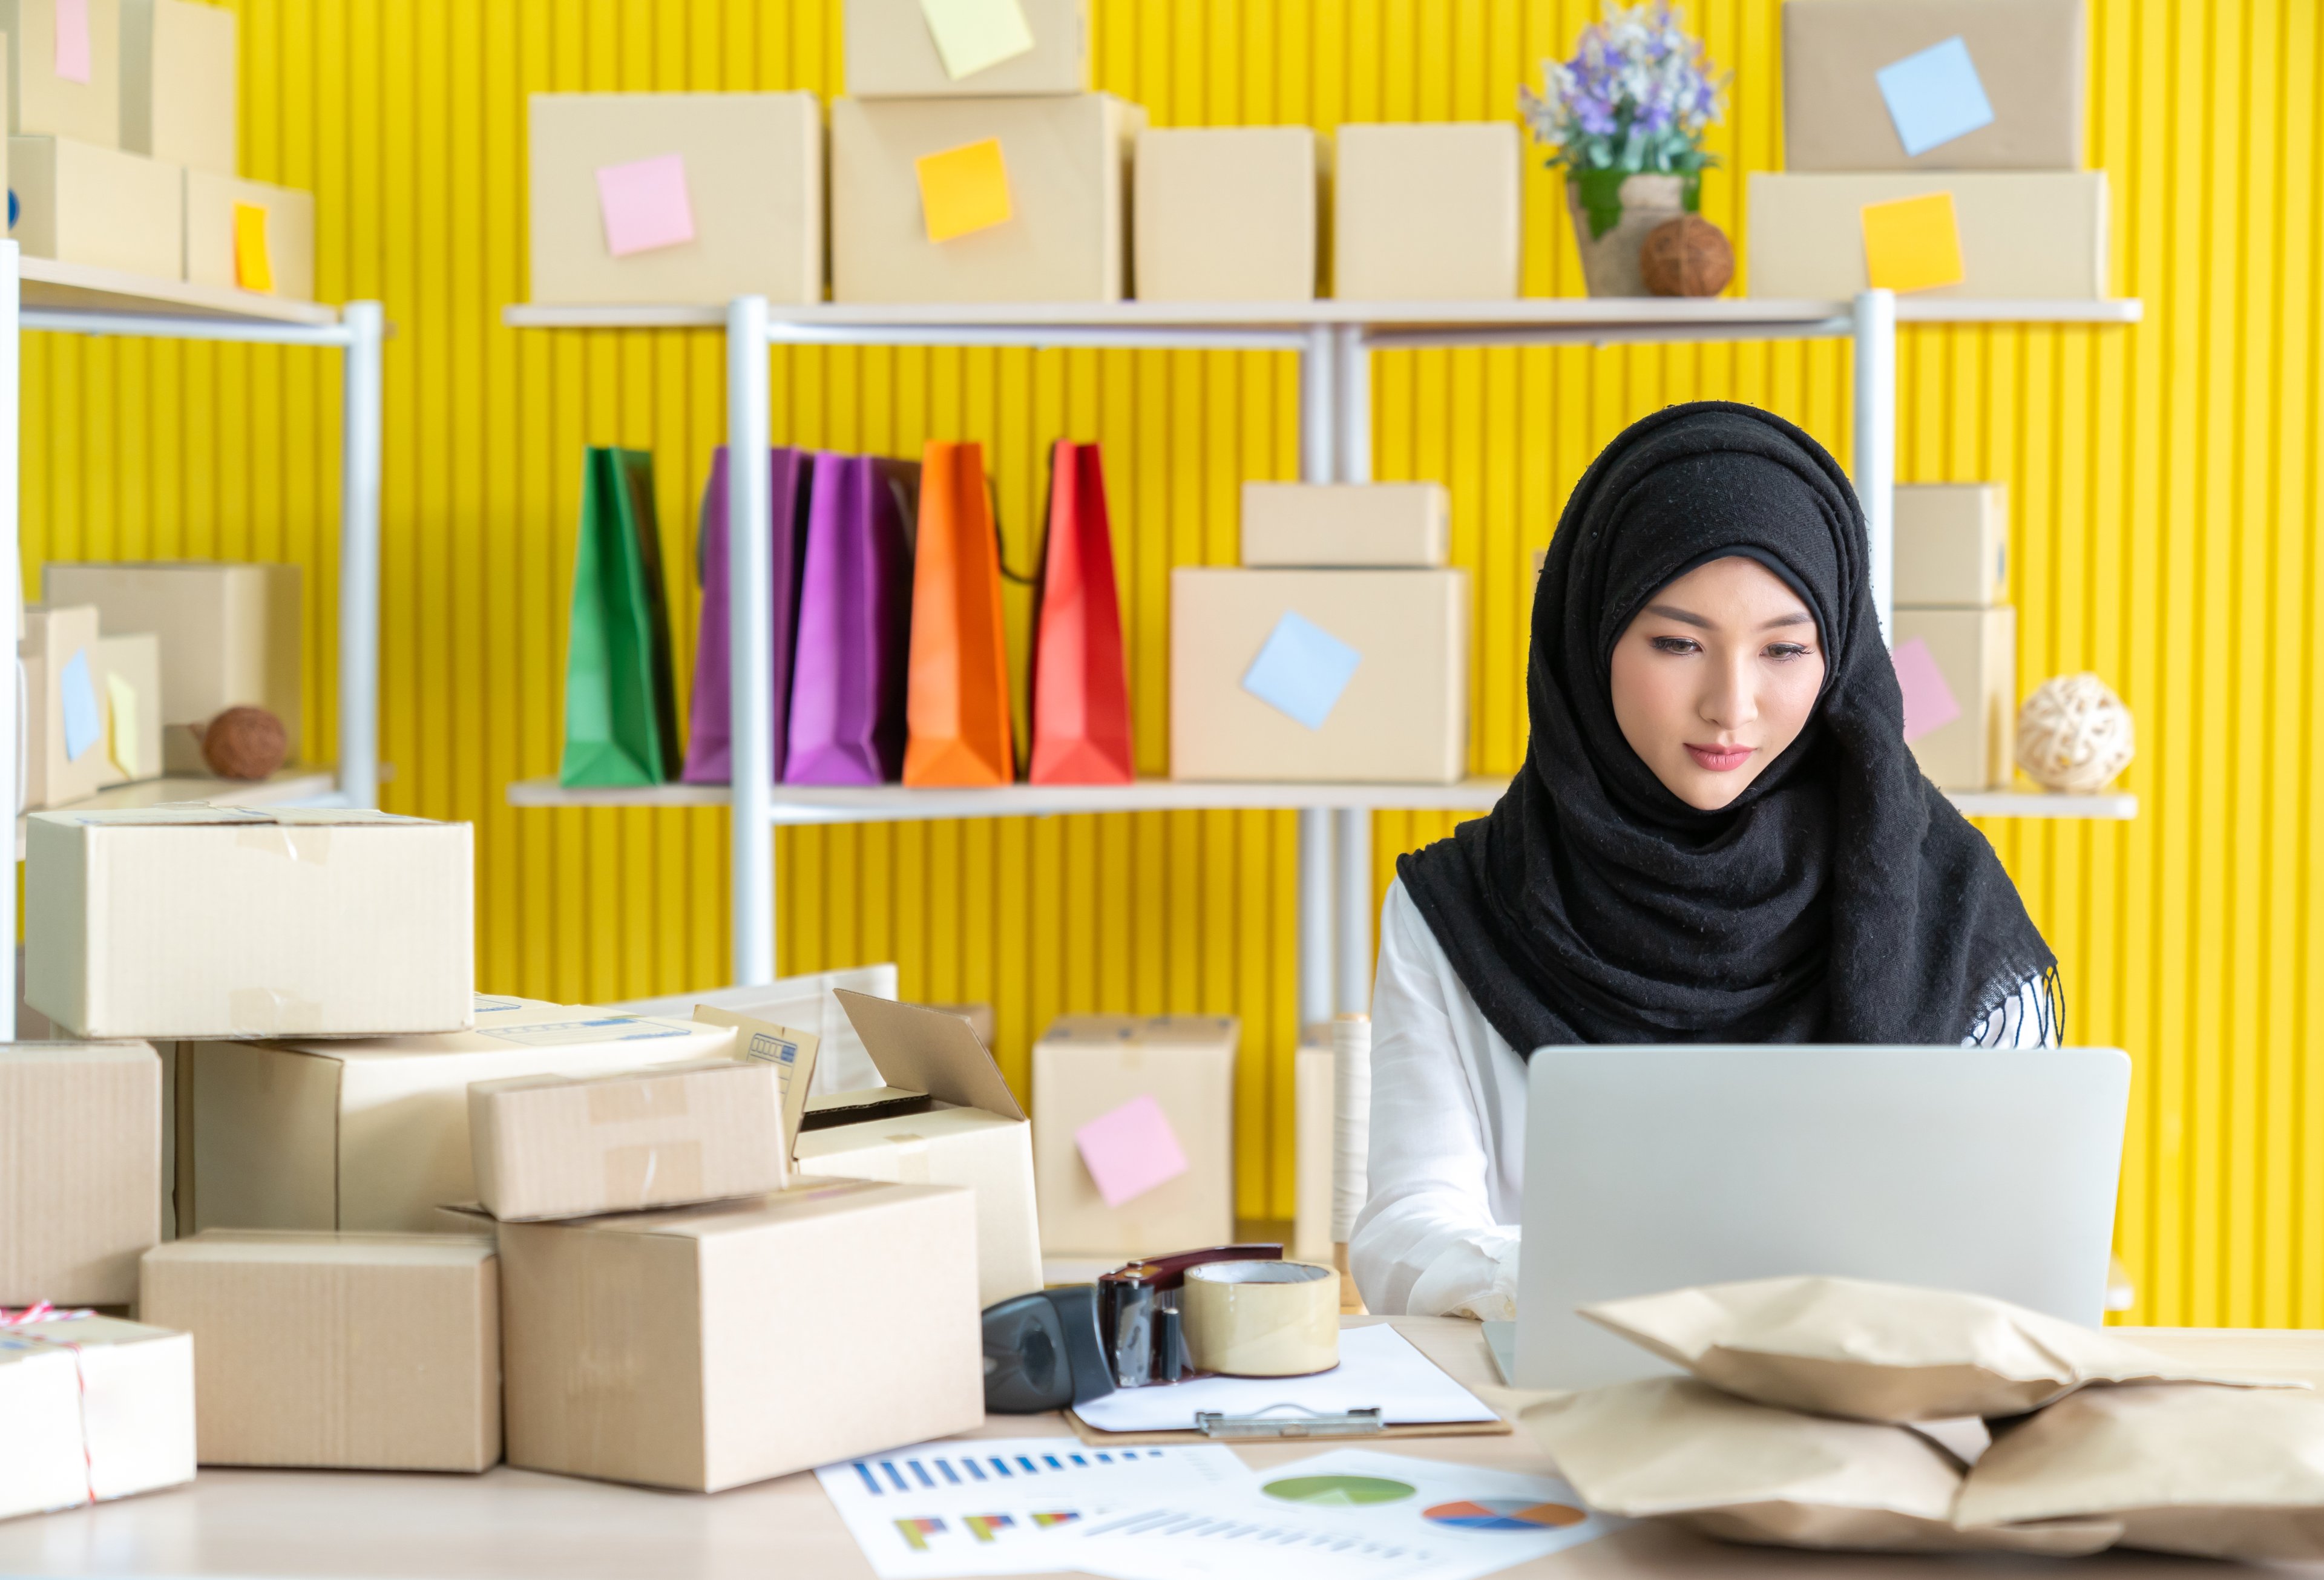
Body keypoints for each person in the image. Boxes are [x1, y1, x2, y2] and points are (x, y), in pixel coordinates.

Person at [1351, 402, 2060, 1322]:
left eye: (1784, 649)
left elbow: (2017, 1244)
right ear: (1589, 637)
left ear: (1840, 654)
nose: (1733, 705)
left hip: (1868, 1433)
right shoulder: (1456, 911)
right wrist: (1571, 1289)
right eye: (1678, 643)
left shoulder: (1950, 909)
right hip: (1559, 1423)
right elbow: (1405, 1231)